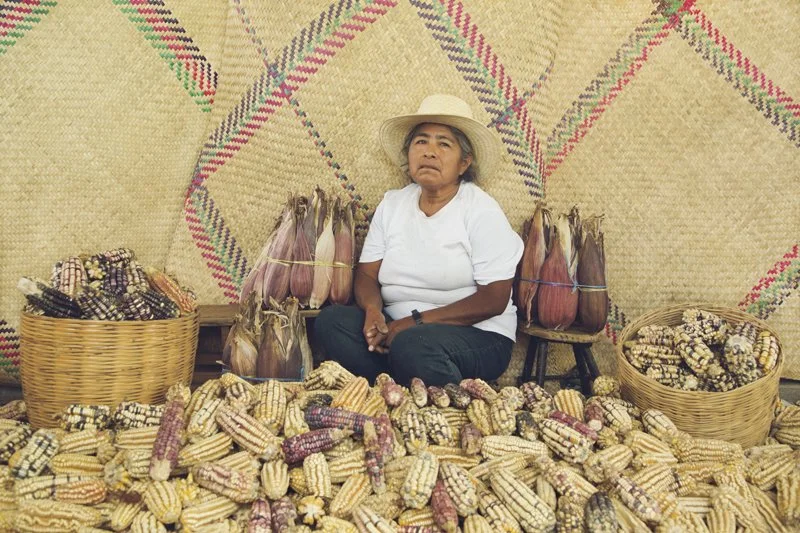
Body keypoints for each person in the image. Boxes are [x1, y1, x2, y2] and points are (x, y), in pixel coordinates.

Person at [314, 94, 524, 386]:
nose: (430, 152)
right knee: (331, 322)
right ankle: (404, 383)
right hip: (397, 329)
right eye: (421, 142)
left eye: (444, 144)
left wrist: (415, 322)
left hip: (476, 335)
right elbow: (367, 275)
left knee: (414, 345)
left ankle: (416, 378)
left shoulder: (480, 210)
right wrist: (373, 312)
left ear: (464, 163)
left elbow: (494, 299)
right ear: (409, 154)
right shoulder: (393, 205)